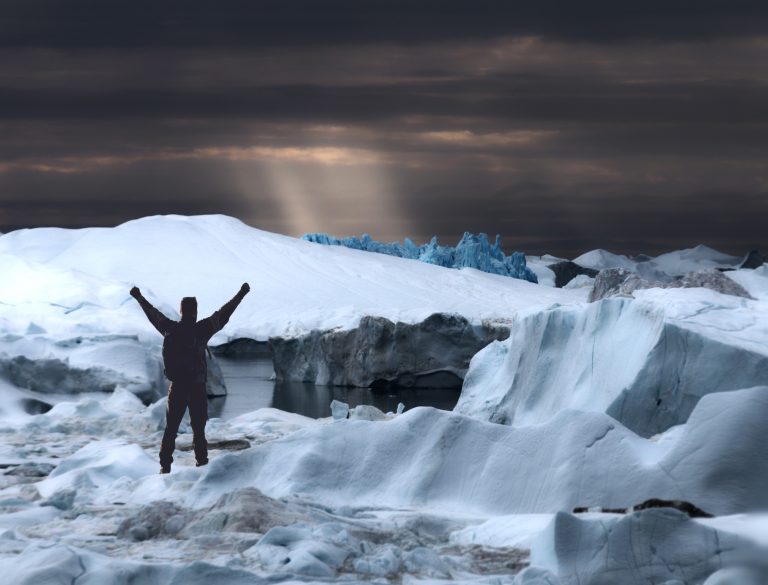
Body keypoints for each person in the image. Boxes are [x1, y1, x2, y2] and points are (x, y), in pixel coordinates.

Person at [130, 283, 250, 474]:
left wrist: (138, 297)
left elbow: (152, 313)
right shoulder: (202, 329)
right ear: (194, 312)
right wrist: (241, 294)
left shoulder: (169, 328)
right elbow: (224, 313)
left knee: (170, 430)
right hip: (196, 388)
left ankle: (165, 467)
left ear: (181, 311)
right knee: (199, 431)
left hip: (176, 387)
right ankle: (201, 465)